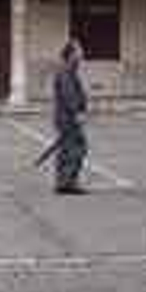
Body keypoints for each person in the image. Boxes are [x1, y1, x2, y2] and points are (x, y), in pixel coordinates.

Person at [52, 39, 89, 194]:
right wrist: (77, 113)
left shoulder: (69, 69)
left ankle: (63, 181)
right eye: (79, 50)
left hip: (65, 118)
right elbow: (69, 95)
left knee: (67, 149)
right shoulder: (65, 71)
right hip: (68, 118)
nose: (82, 53)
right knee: (77, 148)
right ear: (71, 54)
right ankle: (68, 182)